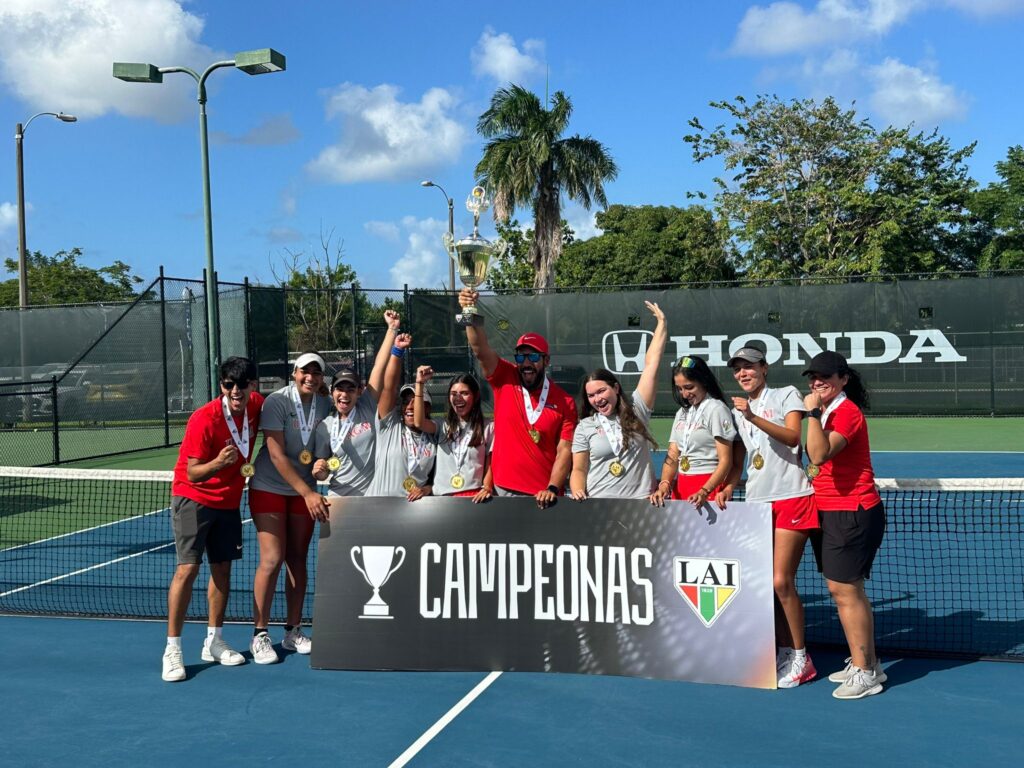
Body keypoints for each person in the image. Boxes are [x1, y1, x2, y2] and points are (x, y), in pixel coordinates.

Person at [163, 356, 264, 682]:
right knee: (188, 569)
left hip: (228, 503)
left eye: (242, 384)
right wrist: (219, 463)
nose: (235, 391)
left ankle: (214, 641)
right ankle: (172, 649)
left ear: (252, 386)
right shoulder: (204, 419)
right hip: (194, 498)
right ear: (221, 385)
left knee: (222, 570)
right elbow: (193, 472)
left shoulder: (256, 405)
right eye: (229, 385)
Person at [724, 346, 819, 689]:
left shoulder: (785, 395)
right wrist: (727, 486)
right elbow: (739, 458)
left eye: (749, 367)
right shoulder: (737, 410)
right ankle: (784, 651)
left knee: (781, 581)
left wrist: (751, 416)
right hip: (757, 501)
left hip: (792, 497)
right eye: (737, 369)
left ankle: (802, 657)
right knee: (765, 585)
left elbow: (793, 438)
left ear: (764, 368)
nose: (743, 373)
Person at [803, 350, 887, 700]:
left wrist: (811, 414)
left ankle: (866, 673)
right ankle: (866, 663)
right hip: (828, 510)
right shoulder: (827, 411)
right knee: (842, 591)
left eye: (825, 377)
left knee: (846, 592)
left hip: (851, 511)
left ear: (843, 379)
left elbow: (819, 454)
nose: (817, 382)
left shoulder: (847, 412)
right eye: (813, 377)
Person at [247, 351, 332, 664]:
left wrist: (322, 466)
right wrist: (309, 492)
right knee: (272, 558)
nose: (310, 377)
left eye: (316, 373)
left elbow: (323, 452)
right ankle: (260, 634)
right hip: (269, 487)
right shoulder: (277, 402)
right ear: (294, 373)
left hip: (303, 491)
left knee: (297, 560)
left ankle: (293, 630)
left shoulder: (325, 404)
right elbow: (277, 454)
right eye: (304, 371)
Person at [458, 288, 578, 508]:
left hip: (544, 496)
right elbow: (479, 348)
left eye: (533, 357)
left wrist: (552, 487)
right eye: (521, 357)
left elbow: (564, 450)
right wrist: (469, 311)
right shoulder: (505, 377)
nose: (526, 363)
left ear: (546, 361)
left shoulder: (565, 401)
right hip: (503, 490)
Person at [570, 301, 667, 500]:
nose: (597, 399)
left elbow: (652, 364)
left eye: (601, 391)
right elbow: (579, 469)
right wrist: (578, 489)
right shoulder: (585, 426)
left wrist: (662, 324)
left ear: (615, 388)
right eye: (591, 395)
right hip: (599, 504)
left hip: (641, 504)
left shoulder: (638, 409)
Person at [312, 309, 403, 499]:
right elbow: (324, 471)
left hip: (372, 497)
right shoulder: (324, 427)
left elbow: (379, 367)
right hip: (338, 498)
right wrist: (320, 471)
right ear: (332, 392)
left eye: (350, 389)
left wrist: (392, 329)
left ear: (359, 392)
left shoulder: (367, 406)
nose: (344, 394)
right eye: (340, 389)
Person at [650, 355, 736, 508]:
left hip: (707, 487)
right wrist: (664, 484)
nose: (684, 394)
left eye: (689, 387)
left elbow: (726, 461)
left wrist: (704, 491)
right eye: (679, 388)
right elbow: (673, 454)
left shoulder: (716, 409)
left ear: (703, 381)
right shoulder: (682, 412)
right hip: (682, 486)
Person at [365, 332, 437, 499]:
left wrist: (427, 489)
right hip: (377, 506)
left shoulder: (433, 437)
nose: (409, 406)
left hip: (411, 510)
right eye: (405, 401)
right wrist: (397, 351)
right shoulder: (390, 426)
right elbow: (389, 388)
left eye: (416, 401)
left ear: (427, 408)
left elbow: (439, 479)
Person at [413, 365, 494, 501]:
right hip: (442, 499)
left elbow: (490, 463)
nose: (458, 398)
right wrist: (419, 384)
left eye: (464, 393)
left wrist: (487, 487)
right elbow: (419, 423)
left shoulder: (487, 427)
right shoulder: (442, 425)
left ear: (476, 396)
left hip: (473, 498)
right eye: (453, 393)